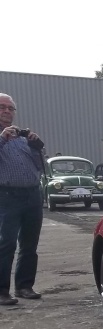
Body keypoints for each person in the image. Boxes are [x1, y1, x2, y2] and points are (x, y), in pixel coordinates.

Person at [0, 93, 45, 305]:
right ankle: (1, 291)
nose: (7, 111)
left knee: (29, 244)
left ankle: (24, 286)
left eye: (10, 108)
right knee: (5, 243)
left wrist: (35, 145)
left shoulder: (20, 138)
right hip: (6, 196)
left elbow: (38, 165)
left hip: (32, 194)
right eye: (2, 107)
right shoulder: (5, 137)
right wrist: (2, 138)